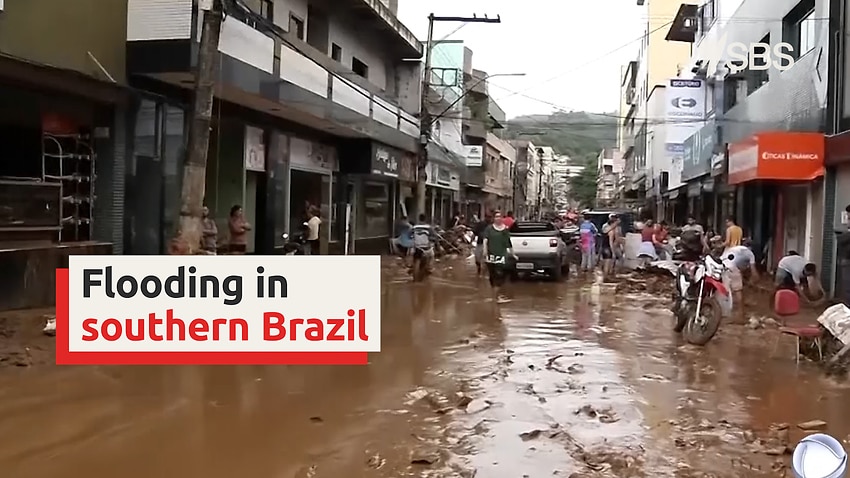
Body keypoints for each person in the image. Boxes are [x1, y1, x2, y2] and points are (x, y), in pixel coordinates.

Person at [483, 211, 516, 300]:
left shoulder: (505, 230)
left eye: (499, 216)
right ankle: (494, 293)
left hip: (501, 256)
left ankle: (496, 296)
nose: (498, 218)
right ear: (494, 218)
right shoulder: (489, 229)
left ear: (502, 218)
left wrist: (513, 254)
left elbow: (508, 243)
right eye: (496, 217)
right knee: (492, 275)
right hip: (491, 256)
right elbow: (485, 240)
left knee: (500, 276)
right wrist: (485, 251)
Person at [600, 214, 619, 278]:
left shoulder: (605, 230)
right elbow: (610, 242)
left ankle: (604, 278)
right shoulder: (611, 232)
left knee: (605, 264)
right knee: (607, 265)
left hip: (604, 247)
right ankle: (606, 278)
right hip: (608, 248)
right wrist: (613, 252)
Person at [473, 213, 492, 277]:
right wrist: (470, 241)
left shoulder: (492, 225)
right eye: (488, 217)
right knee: (477, 258)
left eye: (490, 217)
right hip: (480, 243)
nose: (489, 219)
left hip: (488, 245)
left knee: (486, 260)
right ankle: (479, 269)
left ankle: (484, 273)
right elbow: (474, 233)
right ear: (485, 217)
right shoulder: (480, 224)